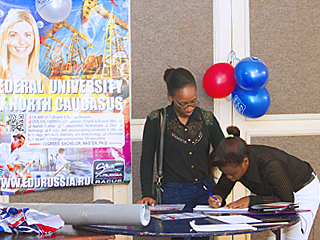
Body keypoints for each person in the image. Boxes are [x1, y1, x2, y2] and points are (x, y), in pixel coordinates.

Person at [207, 126, 320, 240]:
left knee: (293, 237)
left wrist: (251, 200)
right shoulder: (233, 163)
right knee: (273, 238)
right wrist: (218, 197)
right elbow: (223, 187)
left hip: (302, 190)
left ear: (245, 162)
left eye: (231, 174)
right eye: (225, 174)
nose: (229, 177)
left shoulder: (270, 165)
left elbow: (286, 200)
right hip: (276, 196)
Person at [137, 67, 224, 208]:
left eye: (194, 101)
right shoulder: (156, 120)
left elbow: (226, 156)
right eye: (183, 104)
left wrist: (221, 192)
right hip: (173, 192)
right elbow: (147, 160)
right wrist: (147, 193)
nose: (190, 108)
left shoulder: (207, 118)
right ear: (170, 97)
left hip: (206, 190)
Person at [0, 9, 49, 91]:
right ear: (5, 38)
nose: (22, 42)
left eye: (27, 35)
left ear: (34, 39)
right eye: (14, 35)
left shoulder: (44, 83)